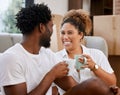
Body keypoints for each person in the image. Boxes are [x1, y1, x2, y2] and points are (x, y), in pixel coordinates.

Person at [0, 4, 78, 95]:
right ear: (42, 27)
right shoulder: (11, 58)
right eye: (51, 26)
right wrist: (51, 75)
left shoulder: (47, 54)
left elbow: (73, 87)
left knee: (92, 85)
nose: (52, 31)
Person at [56, 9, 117, 94]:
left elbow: (112, 82)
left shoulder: (97, 54)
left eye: (70, 33)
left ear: (80, 35)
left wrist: (94, 67)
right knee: (95, 84)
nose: (65, 37)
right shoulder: (55, 58)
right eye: (62, 33)